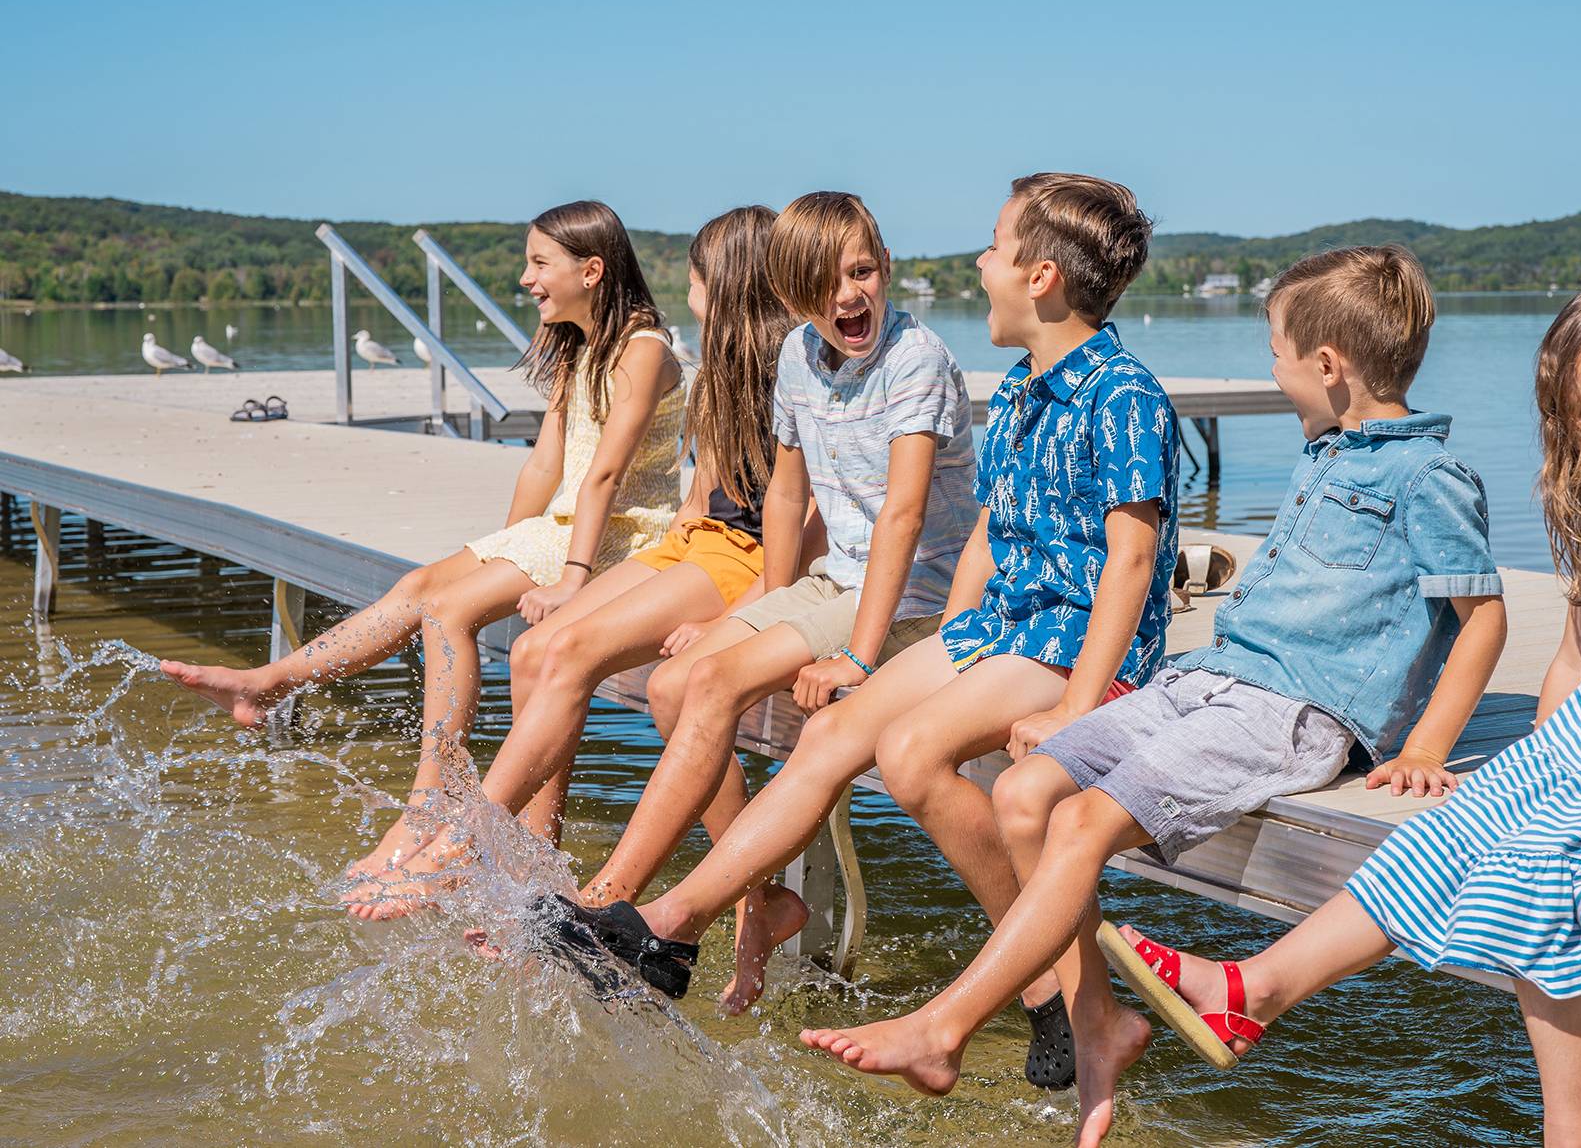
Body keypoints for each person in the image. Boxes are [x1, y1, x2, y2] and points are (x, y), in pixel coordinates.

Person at [801, 244, 1511, 1146]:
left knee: (1084, 821)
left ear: (1327, 367)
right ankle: (1100, 1026)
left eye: (1276, 350)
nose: (1272, 366)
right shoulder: (1324, 453)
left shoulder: (1426, 477)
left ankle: (945, 1025)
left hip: (1292, 709)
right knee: (1022, 794)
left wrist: (1422, 749)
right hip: (1208, 677)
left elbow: (1479, 615)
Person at [1107, 280, 1581, 1148]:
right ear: (1564, 421)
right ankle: (1254, 991)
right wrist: (1538, 768)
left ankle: (1577, 1127)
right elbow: (1577, 657)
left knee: (1542, 859)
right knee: (1447, 828)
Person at [547, 175, 1176, 1098]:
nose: (977, 262)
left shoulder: (1123, 394)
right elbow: (992, 541)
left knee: (912, 750)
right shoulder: (1018, 389)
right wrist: (947, 646)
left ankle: (1065, 997)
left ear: (1040, 277)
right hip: (1005, 624)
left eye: (993, 248)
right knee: (840, 732)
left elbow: (1128, 566)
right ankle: (671, 928)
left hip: (1078, 645)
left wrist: (1079, 711)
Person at [502, 189, 979, 1012]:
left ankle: (610, 900)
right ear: (790, 293)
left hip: (909, 592)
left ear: (887, 267)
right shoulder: (799, 354)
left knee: (713, 684)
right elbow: (787, 504)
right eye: (823, 284)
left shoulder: (917, 360)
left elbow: (901, 516)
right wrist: (752, 615)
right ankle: (743, 909)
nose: (848, 296)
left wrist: (858, 655)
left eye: (862, 273)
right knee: (670, 683)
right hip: (836, 582)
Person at [159, 200, 686, 890]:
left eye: (538, 263)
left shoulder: (642, 351)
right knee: (418, 587)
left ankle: (426, 803)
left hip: (621, 538)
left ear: (591, 270)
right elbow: (542, 469)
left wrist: (571, 580)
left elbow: (608, 477)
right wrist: (497, 551)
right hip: (564, 526)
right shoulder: (579, 350)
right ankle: (269, 684)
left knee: (446, 612)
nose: (525, 279)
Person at [347, 205, 803, 920]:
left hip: (749, 560)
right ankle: (535, 875)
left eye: (694, 281)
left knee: (584, 656)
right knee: (535, 652)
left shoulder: (792, 372)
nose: (686, 295)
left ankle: (466, 842)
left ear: (725, 284)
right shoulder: (719, 366)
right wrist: (630, 570)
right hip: (702, 543)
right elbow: (698, 503)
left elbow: (802, 520)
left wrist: (734, 615)